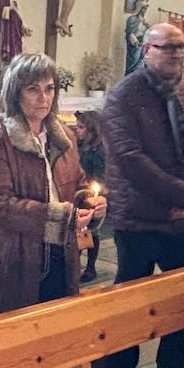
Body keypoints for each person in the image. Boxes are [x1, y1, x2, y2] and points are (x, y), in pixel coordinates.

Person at [0, 54, 105, 368]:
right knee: (4, 353)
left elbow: (78, 184)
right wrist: (63, 215)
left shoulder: (62, 138)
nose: (43, 97)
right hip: (11, 261)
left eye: (49, 88)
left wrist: (91, 205)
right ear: (17, 92)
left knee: (44, 346)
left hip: (56, 259)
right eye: (33, 88)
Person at [101, 22, 184, 368]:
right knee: (132, 310)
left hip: (182, 222)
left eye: (181, 48)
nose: (176, 54)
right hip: (138, 219)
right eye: (167, 48)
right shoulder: (124, 96)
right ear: (146, 50)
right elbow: (131, 160)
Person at [73, 109, 106, 282]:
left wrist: (93, 193)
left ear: (91, 130)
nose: (76, 130)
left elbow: (100, 175)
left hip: (91, 194)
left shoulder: (98, 151)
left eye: (81, 127)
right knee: (78, 230)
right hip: (78, 193)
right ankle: (75, 265)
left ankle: (91, 267)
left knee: (91, 231)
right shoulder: (77, 146)